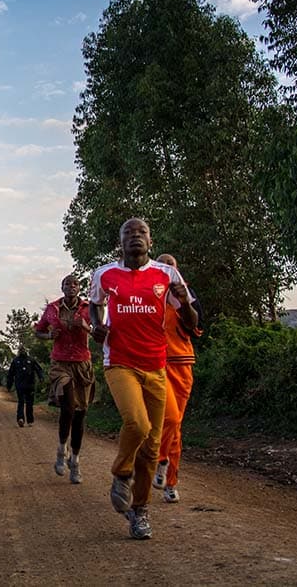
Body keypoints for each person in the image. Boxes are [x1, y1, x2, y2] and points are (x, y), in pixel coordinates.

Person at [88, 218, 197, 540]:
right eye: (128, 233)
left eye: (142, 233)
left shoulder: (166, 275)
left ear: (150, 241)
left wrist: (185, 300)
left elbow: (191, 322)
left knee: (151, 449)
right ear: (120, 242)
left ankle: (140, 512)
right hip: (119, 362)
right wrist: (98, 328)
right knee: (138, 424)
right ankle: (121, 472)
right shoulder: (104, 274)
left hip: (156, 366)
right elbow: (95, 306)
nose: (135, 236)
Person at [152, 254, 204, 504]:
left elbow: (195, 325)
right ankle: (158, 461)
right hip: (153, 364)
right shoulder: (149, 294)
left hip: (182, 365)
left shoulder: (187, 295)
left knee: (175, 427)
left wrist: (183, 300)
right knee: (166, 419)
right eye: (164, 266)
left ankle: (170, 481)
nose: (168, 270)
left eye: (171, 266)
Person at [34, 274, 94, 484]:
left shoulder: (88, 307)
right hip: (60, 363)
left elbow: (100, 332)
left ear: (79, 288)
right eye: (67, 284)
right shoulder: (52, 308)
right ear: (62, 287)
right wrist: (50, 336)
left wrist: (85, 326)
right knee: (68, 407)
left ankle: (75, 461)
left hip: (82, 364)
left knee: (80, 414)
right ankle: (61, 449)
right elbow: (38, 331)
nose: (71, 287)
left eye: (75, 284)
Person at [4, 347, 44, 428]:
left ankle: (30, 420)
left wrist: (41, 378)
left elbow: (38, 369)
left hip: (30, 385)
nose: (22, 351)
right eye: (21, 350)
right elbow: (11, 374)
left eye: (23, 350)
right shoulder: (15, 361)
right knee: (21, 402)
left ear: (26, 351)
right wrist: (9, 385)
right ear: (19, 351)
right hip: (20, 385)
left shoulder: (31, 360)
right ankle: (20, 418)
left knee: (30, 403)